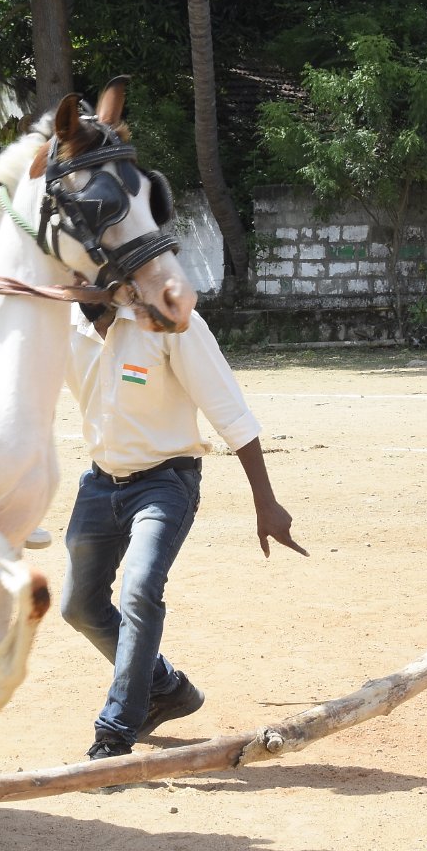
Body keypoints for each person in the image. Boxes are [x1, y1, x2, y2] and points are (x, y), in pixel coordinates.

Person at [60, 299, 305, 762]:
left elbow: (230, 411)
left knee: (139, 588)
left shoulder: (170, 321)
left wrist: (265, 501)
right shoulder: (62, 324)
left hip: (165, 483)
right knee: (78, 607)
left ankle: (114, 734)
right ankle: (165, 687)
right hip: (99, 484)